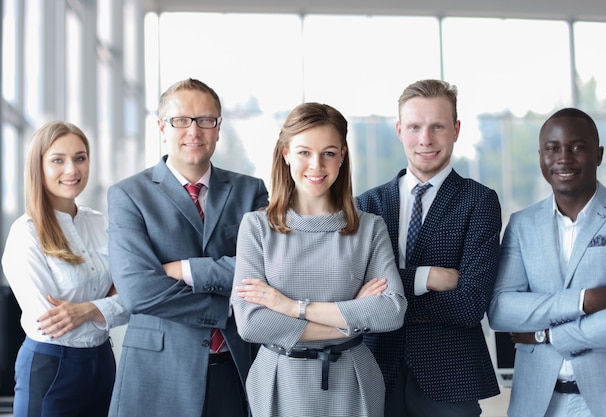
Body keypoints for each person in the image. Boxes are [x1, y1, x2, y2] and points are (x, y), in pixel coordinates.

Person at [231, 102, 407, 417]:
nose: (316, 165)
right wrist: (350, 321)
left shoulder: (369, 228)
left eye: (328, 152)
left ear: (342, 156)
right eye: (304, 152)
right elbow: (251, 323)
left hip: (353, 381)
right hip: (279, 380)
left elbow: (391, 312)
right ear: (285, 153)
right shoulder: (256, 227)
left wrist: (292, 308)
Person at [106, 78, 268, 417]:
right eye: (181, 120)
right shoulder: (129, 195)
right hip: (158, 372)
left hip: (238, 366)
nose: (194, 131)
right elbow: (139, 292)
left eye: (205, 120)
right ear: (162, 127)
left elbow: (267, 269)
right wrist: (225, 307)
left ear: (218, 128)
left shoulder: (250, 191)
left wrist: (185, 270)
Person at [356, 79, 502, 417]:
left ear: (456, 130)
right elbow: (353, 290)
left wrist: (387, 299)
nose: (425, 139)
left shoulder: (479, 201)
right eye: (415, 127)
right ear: (399, 130)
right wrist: (427, 277)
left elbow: (470, 303)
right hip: (376, 370)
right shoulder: (367, 204)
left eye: (437, 126)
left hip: (450, 376)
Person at [488, 107, 606, 417]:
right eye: (552, 148)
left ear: (599, 154)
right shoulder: (522, 224)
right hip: (537, 404)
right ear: (541, 156)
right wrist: (583, 300)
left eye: (577, 147)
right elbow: (500, 310)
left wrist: (546, 335)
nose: (563, 157)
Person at [1, 121, 129, 417]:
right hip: (51, 367)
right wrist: (109, 302)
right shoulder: (26, 233)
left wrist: (84, 310)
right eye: (58, 160)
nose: (72, 169)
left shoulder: (101, 223)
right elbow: (50, 323)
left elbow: (134, 296)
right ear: (39, 166)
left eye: (80, 158)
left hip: (102, 362)